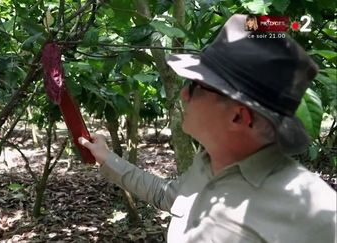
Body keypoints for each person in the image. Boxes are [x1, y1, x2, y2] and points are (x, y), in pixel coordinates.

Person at [79, 14, 336, 242]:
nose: (183, 94)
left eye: (195, 86)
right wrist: (108, 159)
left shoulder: (314, 214)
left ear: (238, 117)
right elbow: (165, 194)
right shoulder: (208, 166)